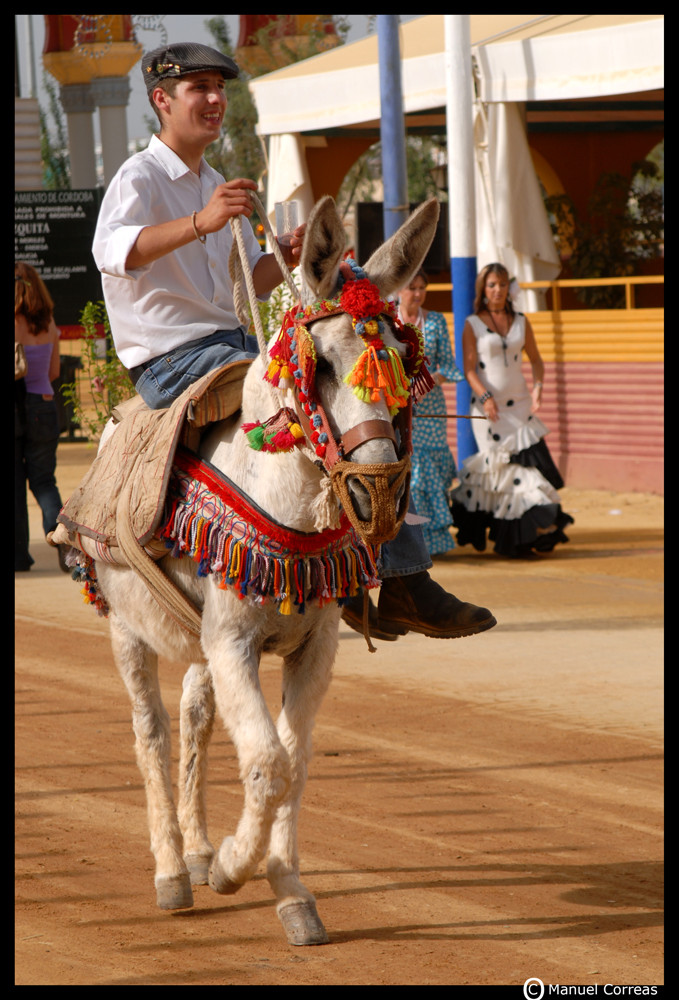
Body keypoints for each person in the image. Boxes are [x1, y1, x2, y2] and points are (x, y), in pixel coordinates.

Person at [93, 41, 496, 642]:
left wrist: (280, 254)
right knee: (310, 394)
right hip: (170, 359)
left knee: (353, 404)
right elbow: (112, 252)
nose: (213, 99)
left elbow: (252, 281)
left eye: (219, 88)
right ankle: (378, 578)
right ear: (162, 100)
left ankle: (389, 574)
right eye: (198, 88)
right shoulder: (141, 175)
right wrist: (202, 222)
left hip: (231, 346)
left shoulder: (213, 182)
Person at [450, 262, 574, 557]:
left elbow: (537, 360)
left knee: (526, 473)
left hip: (519, 407)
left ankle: (521, 538)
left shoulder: (521, 321)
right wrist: (486, 397)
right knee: (501, 475)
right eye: (491, 285)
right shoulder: (472, 323)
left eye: (502, 284)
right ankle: (512, 538)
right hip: (488, 412)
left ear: (508, 288)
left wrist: (538, 388)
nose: (497, 290)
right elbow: (468, 369)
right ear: (484, 289)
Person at [397, 269, 465, 556]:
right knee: (408, 470)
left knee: (429, 472)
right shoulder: (388, 321)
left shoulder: (435, 321)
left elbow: (450, 365)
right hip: (399, 407)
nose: (417, 293)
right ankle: (407, 540)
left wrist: (433, 378)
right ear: (399, 289)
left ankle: (432, 541)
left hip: (432, 408)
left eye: (422, 287)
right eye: (411, 287)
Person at [15, 263, 69, 573]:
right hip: (44, 407)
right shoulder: (49, 323)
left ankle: (18, 556)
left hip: (16, 407)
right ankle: (64, 548)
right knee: (45, 482)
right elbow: (54, 373)